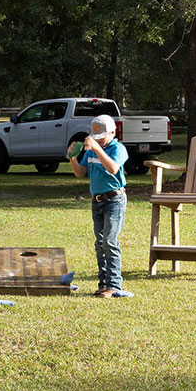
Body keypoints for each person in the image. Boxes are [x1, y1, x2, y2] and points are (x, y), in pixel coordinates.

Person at [68, 114, 129, 297]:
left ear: (112, 133)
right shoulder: (91, 150)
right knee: (100, 243)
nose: (99, 140)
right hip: (97, 201)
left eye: (102, 137)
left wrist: (96, 148)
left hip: (114, 200)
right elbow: (80, 173)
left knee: (110, 241)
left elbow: (113, 168)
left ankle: (114, 285)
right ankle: (103, 284)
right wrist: (72, 158)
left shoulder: (118, 149)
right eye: (96, 137)